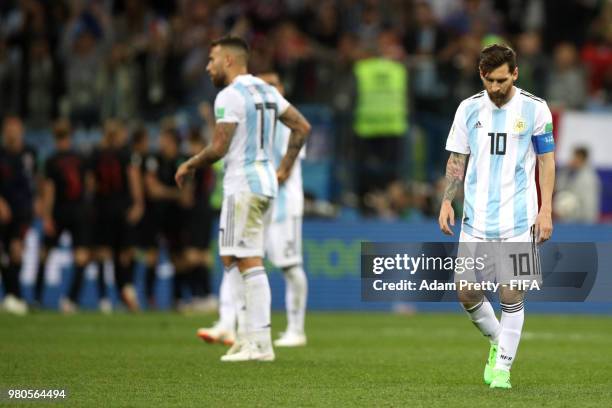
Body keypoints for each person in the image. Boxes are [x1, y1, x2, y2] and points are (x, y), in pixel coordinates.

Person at [175, 36, 311, 362]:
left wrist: (190, 163)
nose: (208, 67)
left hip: (244, 186)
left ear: (229, 61)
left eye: (212, 60)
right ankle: (245, 336)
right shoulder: (265, 91)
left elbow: (220, 147)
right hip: (262, 185)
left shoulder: (229, 96)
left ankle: (259, 342)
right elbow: (301, 126)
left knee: (248, 260)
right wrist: (283, 168)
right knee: (231, 258)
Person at [438, 44, 555, 389]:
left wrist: (546, 209)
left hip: (519, 218)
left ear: (515, 74)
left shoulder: (535, 109)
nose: (495, 87)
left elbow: (547, 161)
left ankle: (502, 368)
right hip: (475, 219)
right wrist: (447, 200)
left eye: (501, 80)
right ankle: (497, 341)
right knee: (466, 292)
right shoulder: (469, 108)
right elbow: (457, 158)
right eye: (489, 80)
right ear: (481, 76)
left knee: (511, 292)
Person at [197, 72, 309, 348]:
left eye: (273, 85)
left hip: (283, 205)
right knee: (235, 257)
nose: (268, 91)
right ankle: (227, 322)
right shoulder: (251, 122)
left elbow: (289, 161)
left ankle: (296, 328)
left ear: (281, 90)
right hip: (257, 200)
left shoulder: (286, 124)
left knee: (290, 267)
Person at [89, 119, 144, 311]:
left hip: (102, 207)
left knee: (103, 254)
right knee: (125, 254)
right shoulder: (126, 154)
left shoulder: (96, 154)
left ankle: (104, 299)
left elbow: (91, 184)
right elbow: (133, 177)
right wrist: (139, 203)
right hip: (122, 208)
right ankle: (126, 290)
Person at [41, 119, 93, 313]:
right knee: (81, 257)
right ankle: (71, 300)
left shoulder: (51, 160)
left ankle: (36, 298)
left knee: (45, 253)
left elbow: (49, 190)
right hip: (79, 210)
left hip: (59, 210)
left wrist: (46, 217)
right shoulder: (81, 158)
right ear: (70, 136)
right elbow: (89, 185)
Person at [0, 116, 37, 315]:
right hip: (3, 211)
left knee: (16, 250)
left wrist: (38, 202)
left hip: (22, 210)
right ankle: (12, 296)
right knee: (4, 254)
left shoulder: (29, 153)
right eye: (9, 129)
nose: (12, 132)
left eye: (15, 128)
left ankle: (15, 296)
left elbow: (36, 180)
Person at [555, 147, 601, 223]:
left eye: (576, 157)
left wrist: (589, 222)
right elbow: (559, 190)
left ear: (583, 159)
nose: (573, 160)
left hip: (582, 221)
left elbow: (589, 203)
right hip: (564, 220)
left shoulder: (589, 178)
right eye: (572, 157)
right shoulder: (565, 172)